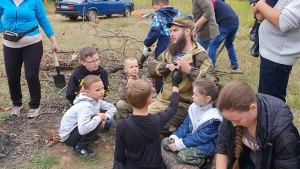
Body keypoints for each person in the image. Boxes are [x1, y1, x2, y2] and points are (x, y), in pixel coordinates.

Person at [148, 17, 217, 137]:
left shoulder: (200, 56)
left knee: (160, 126)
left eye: (175, 30)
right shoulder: (170, 52)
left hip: (182, 105)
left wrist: (190, 70)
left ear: (187, 31)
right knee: (139, 121)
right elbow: (151, 68)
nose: (171, 34)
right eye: (171, 31)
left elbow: (213, 83)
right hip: (161, 101)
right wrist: (167, 66)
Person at [215, 82, 300, 169]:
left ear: (253, 109)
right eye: (229, 120)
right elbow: (223, 148)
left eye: (237, 120)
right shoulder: (232, 115)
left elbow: (287, 165)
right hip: (249, 162)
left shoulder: (284, 135)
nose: (233, 124)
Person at [113, 69, 183, 169]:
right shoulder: (158, 120)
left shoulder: (122, 125)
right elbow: (173, 107)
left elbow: (119, 156)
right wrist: (175, 85)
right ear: (150, 101)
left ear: (128, 100)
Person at [0, 0, 58, 118]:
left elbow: (43, 19)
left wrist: (53, 40)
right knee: (12, 77)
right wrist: (2, 30)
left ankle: (35, 105)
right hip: (10, 45)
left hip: (32, 44)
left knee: (31, 75)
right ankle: (17, 104)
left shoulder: (35, 1)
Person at [161, 78, 223, 169]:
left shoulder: (214, 117)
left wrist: (180, 144)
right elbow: (186, 125)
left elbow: (201, 138)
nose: (192, 97)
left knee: (182, 156)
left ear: (207, 98)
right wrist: (176, 137)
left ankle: (205, 162)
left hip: (205, 146)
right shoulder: (194, 107)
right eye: (193, 93)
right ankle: (184, 148)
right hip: (191, 139)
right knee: (166, 142)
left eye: (196, 95)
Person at [253, 0, 300, 102]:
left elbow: (283, 22)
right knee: (264, 99)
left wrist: (260, 5)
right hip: (272, 53)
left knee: (271, 104)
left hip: (277, 56)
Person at [60, 75, 116, 159]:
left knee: (98, 118)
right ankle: (79, 148)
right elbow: (82, 130)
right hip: (69, 137)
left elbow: (112, 107)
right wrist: (99, 118)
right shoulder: (85, 106)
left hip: (76, 130)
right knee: (97, 119)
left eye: (102, 88)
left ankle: (87, 138)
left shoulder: (96, 100)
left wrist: (106, 117)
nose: (102, 92)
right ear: (88, 92)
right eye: (97, 90)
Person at [142, 0, 192, 93]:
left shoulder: (159, 15)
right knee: (177, 70)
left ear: (160, 4)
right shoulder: (178, 14)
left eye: (155, 7)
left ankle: (161, 93)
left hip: (163, 47)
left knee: (160, 70)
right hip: (178, 47)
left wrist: (147, 44)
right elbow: (190, 19)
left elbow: (155, 31)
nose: (155, 10)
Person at [208, 0, 241, 71]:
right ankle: (235, 65)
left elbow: (209, 15)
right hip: (236, 23)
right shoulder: (221, 3)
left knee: (213, 45)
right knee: (229, 44)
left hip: (226, 24)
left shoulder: (212, 2)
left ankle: (211, 68)